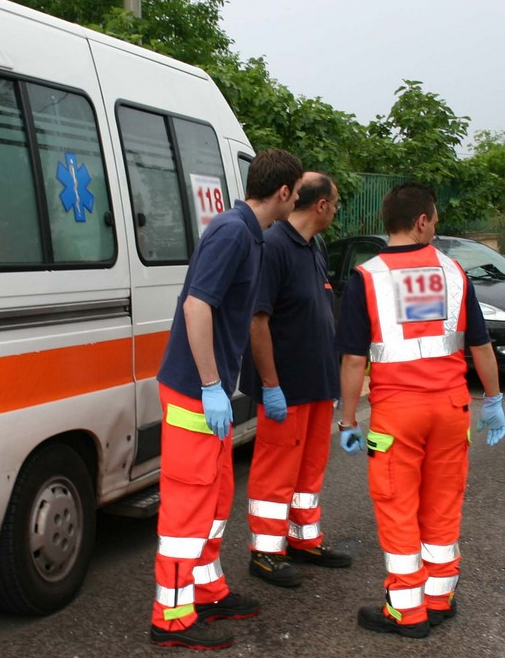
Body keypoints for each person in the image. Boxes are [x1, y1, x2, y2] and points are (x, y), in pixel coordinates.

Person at [335, 182, 505, 639]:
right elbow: (481, 344)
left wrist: (348, 420)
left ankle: (405, 611)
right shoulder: (453, 272)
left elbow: (353, 360)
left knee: (397, 506)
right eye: (435, 219)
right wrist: (493, 398)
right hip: (451, 410)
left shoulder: (366, 277)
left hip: (397, 415)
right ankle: (439, 597)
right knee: (443, 505)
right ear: (423, 220)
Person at [150, 148, 303, 650]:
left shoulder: (248, 234)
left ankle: (206, 591)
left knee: (214, 498)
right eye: (297, 192)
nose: (299, 199)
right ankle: (170, 616)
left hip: (206, 392)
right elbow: (198, 305)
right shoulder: (234, 231)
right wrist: (212, 385)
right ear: (283, 193)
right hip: (195, 391)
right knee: (188, 504)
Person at [239, 172, 352, 588]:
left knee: (310, 468)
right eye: (335, 202)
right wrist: (270, 385)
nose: (336, 209)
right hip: (286, 387)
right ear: (320, 205)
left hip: (317, 383)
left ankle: (303, 537)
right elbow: (257, 320)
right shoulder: (274, 246)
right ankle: (265, 552)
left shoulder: (314, 245)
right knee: (276, 469)